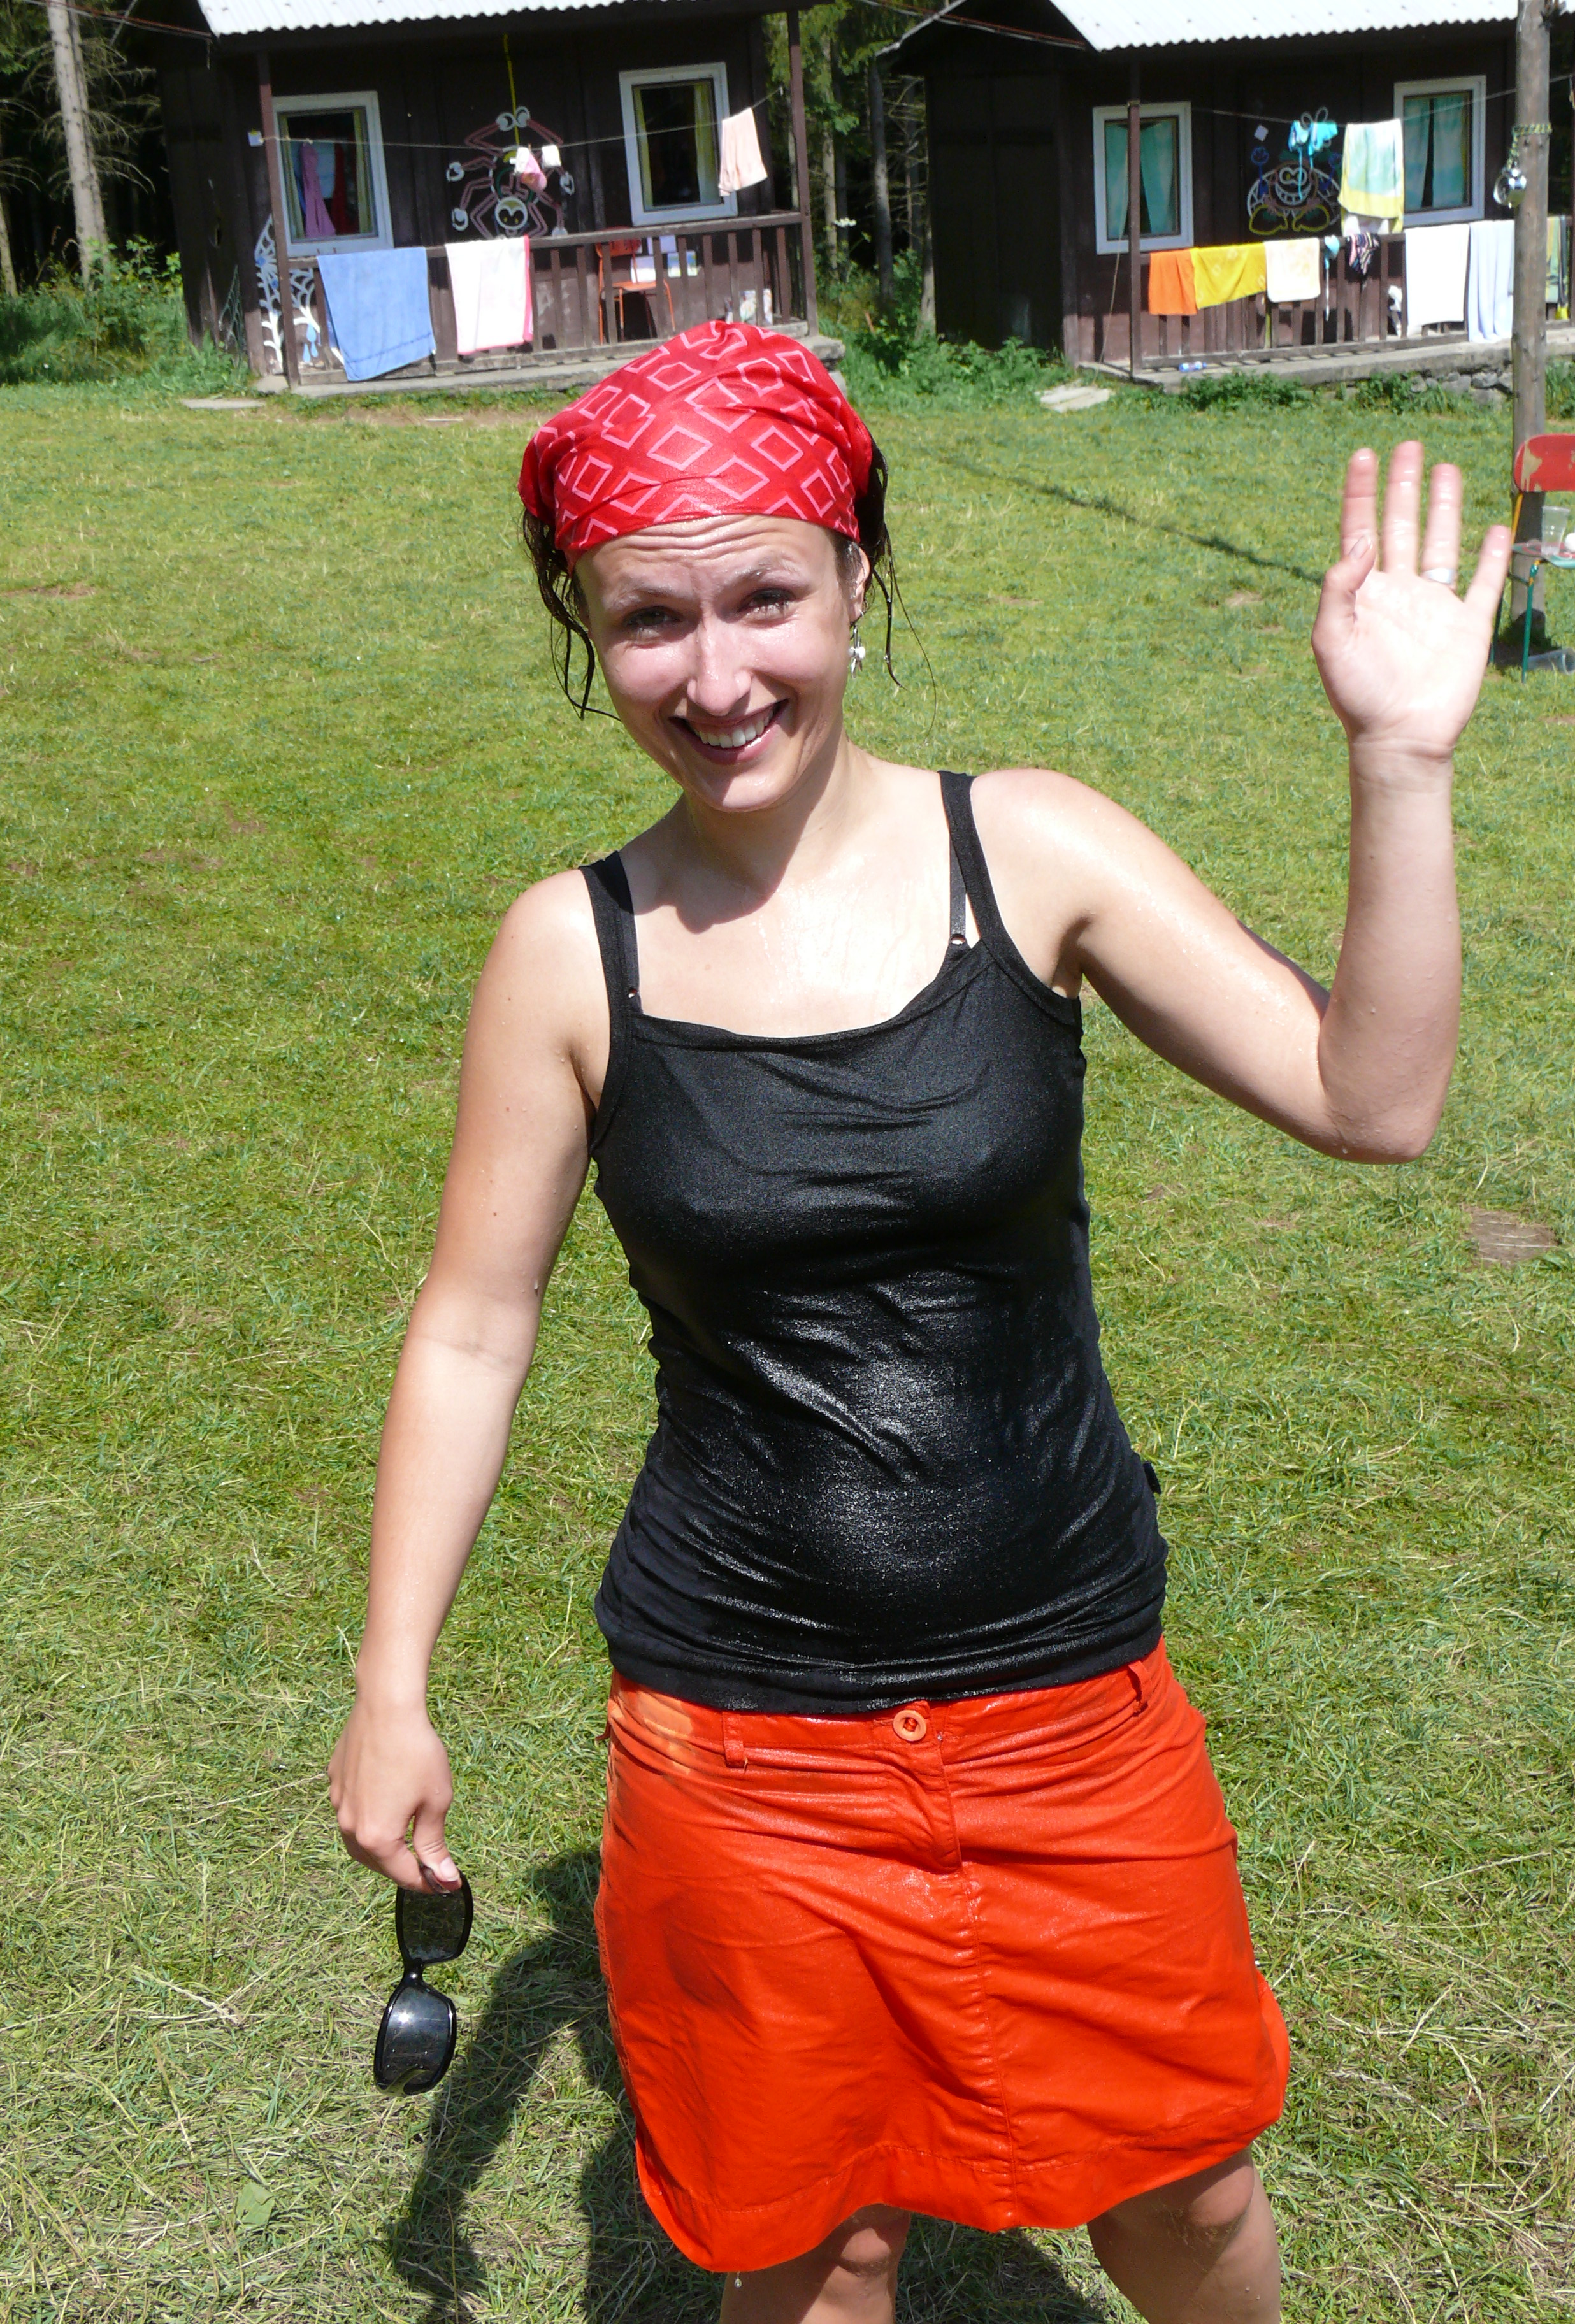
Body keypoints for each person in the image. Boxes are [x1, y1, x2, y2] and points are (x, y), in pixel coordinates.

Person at [328, 320, 1508, 2324]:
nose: (718, 679)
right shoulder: (570, 954)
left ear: (857, 573)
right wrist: (392, 1681)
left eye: (766, 599)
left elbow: (1372, 1099)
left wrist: (1399, 764)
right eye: (650, 623)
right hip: (739, 1745)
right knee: (819, 2247)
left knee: (1188, 2198)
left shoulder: (1027, 850)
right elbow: (471, 1329)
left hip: (1070, 1702)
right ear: (586, 632)